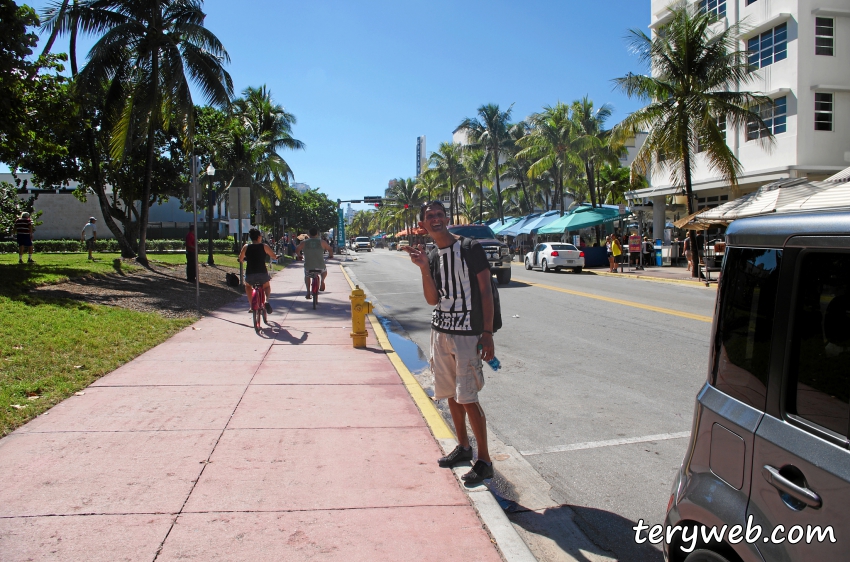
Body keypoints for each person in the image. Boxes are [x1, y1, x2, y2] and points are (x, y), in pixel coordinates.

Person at [402, 200, 495, 484]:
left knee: (468, 396)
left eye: (440, 215)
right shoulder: (431, 255)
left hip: (467, 334)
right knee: (450, 394)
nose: (435, 219)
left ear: (447, 219)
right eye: (430, 216)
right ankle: (464, 447)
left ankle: (485, 460)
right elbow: (432, 299)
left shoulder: (469, 248)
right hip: (440, 331)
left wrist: (487, 332)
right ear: (423, 224)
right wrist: (422, 268)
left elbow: (486, 291)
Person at [238, 228, 276, 313]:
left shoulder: (246, 247)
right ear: (259, 237)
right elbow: (273, 255)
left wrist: (241, 260)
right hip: (262, 273)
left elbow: (240, 258)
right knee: (266, 286)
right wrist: (276, 257)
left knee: (248, 286)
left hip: (250, 274)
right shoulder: (264, 246)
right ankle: (266, 301)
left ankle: (252, 306)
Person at [296, 226, 333, 298]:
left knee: (307, 276)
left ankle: (308, 292)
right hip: (320, 266)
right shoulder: (322, 242)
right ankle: (322, 281)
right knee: (324, 271)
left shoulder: (304, 242)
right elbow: (330, 249)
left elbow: (297, 250)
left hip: (308, 266)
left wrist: (299, 256)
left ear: (309, 234)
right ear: (317, 234)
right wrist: (330, 255)